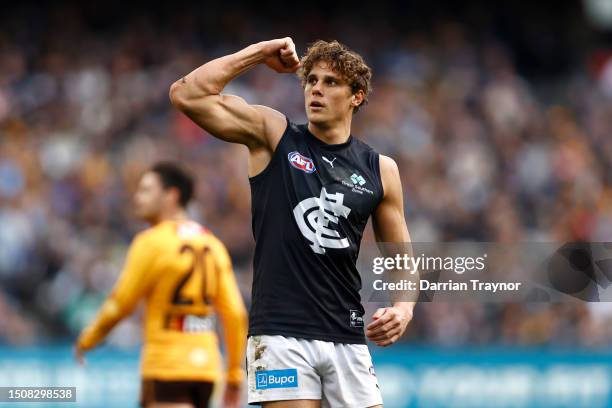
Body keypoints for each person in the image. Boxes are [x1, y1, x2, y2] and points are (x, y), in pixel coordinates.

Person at [170, 38, 414, 407]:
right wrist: (257, 54)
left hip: (346, 335)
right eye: (311, 80)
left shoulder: (380, 169)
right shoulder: (275, 135)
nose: (316, 88)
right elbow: (186, 94)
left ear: (356, 97)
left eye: (331, 82)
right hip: (280, 335)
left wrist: (403, 307)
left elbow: (404, 260)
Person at [74, 162, 248, 408]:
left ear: (171, 196)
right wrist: (233, 373)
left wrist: (89, 338)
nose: (137, 198)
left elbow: (121, 302)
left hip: (167, 365)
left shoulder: (151, 243)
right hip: (207, 368)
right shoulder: (213, 245)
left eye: (146, 190)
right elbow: (235, 313)